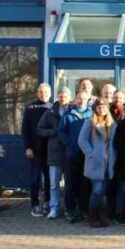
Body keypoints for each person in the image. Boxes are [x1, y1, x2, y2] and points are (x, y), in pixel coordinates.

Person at [78, 100, 117, 228]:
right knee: (97, 190)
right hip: (95, 163)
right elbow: (82, 140)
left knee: (104, 191)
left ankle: (102, 215)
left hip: (108, 163)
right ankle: (92, 216)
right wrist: (91, 153)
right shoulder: (90, 122)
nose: (101, 109)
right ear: (95, 109)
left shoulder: (112, 124)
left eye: (104, 107)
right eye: (99, 107)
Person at [37, 87, 72, 219]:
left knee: (70, 183)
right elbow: (39, 129)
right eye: (60, 96)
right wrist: (53, 133)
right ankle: (54, 207)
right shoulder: (50, 112)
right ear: (57, 97)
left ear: (69, 97)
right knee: (53, 183)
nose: (63, 98)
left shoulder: (72, 110)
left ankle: (69, 208)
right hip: (54, 152)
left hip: (69, 152)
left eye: (65, 96)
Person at [58, 91, 92, 223]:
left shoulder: (91, 114)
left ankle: (83, 209)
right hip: (72, 154)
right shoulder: (68, 115)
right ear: (75, 99)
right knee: (70, 183)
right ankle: (70, 210)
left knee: (85, 183)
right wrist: (69, 143)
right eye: (79, 98)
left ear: (88, 99)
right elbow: (61, 131)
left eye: (84, 98)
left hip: (86, 155)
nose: (81, 100)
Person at [22, 83, 52, 217]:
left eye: (45, 92)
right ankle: (34, 205)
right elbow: (25, 129)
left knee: (49, 179)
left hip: (50, 150)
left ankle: (47, 203)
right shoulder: (30, 107)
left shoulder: (53, 108)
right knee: (35, 178)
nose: (43, 94)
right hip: (35, 150)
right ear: (37, 93)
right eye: (40, 92)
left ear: (50, 93)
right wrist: (27, 147)